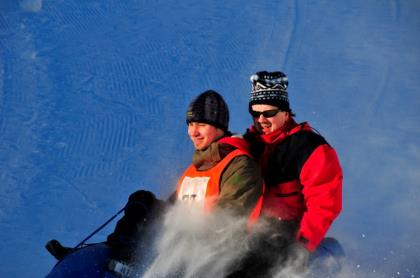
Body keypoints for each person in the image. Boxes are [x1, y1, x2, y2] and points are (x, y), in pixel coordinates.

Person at [46, 90, 264, 277]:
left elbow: (230, 218)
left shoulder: (239, 165)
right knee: (142, 201)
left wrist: (188, 236)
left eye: (202, 124)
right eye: (191, 124)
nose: (194, 132)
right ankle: (114, 259)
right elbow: (172, 211)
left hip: (212, 257)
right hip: (180, 245)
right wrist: (146, 208)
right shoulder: (194, 170)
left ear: (219, 127)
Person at [239, 70, 343, 276]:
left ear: (286, 112)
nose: (261, 119)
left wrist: (302, 246)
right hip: (248, 234)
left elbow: (324, 203)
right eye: (255, 112)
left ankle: (325, 256)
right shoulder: (249, 144)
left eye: (269, 113)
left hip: (286, 237)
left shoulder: (308, 147)